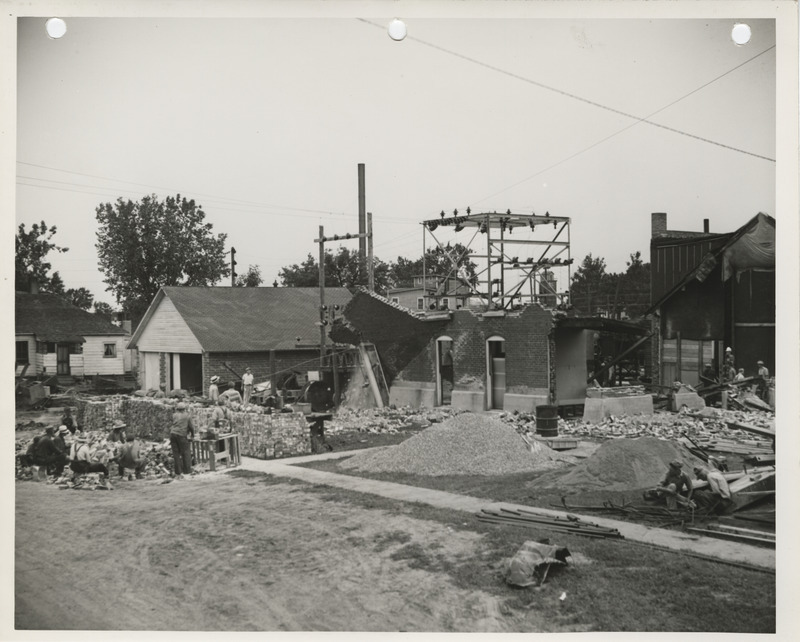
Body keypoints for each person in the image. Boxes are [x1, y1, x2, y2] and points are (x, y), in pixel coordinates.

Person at [169, 402, 195, 478]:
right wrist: (192, 435)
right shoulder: (187, 416)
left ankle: (178, 472)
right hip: (181, 435)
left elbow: (173, 424)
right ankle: (187, 471)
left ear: (177, 409)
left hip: (173, 434)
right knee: (186, 452)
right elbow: (191, 427)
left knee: (176, 454)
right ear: (184, 409)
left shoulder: (174, 415)